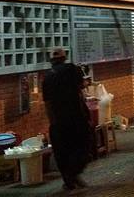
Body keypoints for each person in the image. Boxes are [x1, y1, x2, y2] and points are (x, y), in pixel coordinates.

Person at [42, 48, 91, 190]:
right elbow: (82, 87)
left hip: (58, 121)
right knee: (82, 145)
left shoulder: (47, 77)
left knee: (62, 151)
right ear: (64, 58)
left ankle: (68, 178)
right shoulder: (72, 69)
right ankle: (73, 173)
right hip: (76, 117)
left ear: (51, 60)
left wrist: (52, 122)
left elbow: (47, 103)